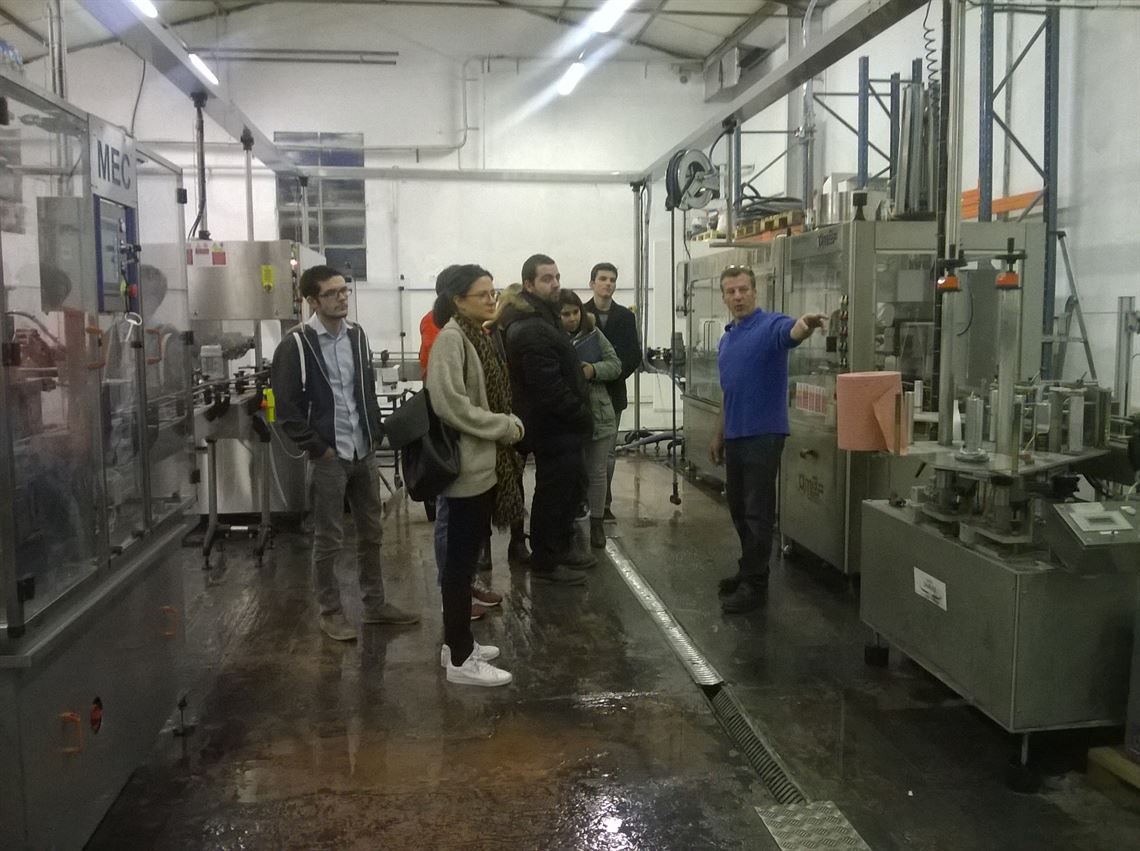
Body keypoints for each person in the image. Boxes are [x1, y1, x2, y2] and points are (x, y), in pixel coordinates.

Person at [271, 264, 419, 641]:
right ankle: (330, 611)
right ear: (312, 300)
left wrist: (375, 431)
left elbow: (364, 388)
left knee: (372, 533)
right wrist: (318, 448)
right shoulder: (296, 345)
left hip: (363, 451)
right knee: (329, 539)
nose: (342, 298)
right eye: (332, 293)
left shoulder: (356, 335)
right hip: (329, 457)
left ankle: (375, 605)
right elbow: (286, 409)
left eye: (344, 291)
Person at [426, 265, 525, 686]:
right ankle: (461, 659)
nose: (491, 300)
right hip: (466, 470)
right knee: (459, 566)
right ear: (457, 300)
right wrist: (503, 426)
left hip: (482, 467)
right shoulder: (452, 339)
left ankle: (456, 644)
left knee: (464, 565)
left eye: (493, 292)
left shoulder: (474, 335)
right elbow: (451, 405)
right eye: (482, 294)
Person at [709, 265, 826, 614]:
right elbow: (728, 391)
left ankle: (755, 586)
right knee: (738, 508)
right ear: (724, 297)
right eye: (731, 291)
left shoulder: (770, 324)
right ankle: (748, 569)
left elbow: (791, 333)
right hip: (735, 434)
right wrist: (718, 434)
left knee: (757, 511)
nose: (738, 296)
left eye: (743, 289)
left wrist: (804, 325)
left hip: (763, 434)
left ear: (755, 292)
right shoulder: (727, 338)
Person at [498, 254, 592, 585]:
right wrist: (580, 413)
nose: (555, 284)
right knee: (553, 494)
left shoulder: (543, 318)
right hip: (552, 425)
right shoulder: (530, 328)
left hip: (559, 425)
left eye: (557, 277)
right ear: (528, 284)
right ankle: (546, 561)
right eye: (547, 279)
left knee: (564, 491)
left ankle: (559, 549)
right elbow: (548, 386)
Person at [558, 290, 620, 549]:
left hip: (598, 413)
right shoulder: (551, 337)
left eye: (575, 312)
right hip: (567, 415)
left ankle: (597, 524)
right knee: (571, 472)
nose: (572, 318)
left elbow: (615, 364)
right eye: (565, 314)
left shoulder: (593, 333)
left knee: (597, 472)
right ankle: (570, 522)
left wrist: (592, 370)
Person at [582, 262, 640, 521]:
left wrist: (609, 374)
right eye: (603, 278)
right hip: (583, 394)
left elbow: (633, 355)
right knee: (583, 451)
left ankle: (603, 503)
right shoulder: (579, 314)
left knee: (607, 454)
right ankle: (583, 500)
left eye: (612, 279)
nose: (608, 283)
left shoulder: (626, 317)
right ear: (592, 283)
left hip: (613, 393)